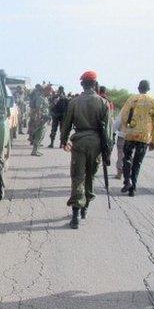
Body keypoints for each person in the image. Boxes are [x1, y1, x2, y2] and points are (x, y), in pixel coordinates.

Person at [60, 71, 110, 229]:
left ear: (82, 84)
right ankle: (85, 209)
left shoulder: (74, 102)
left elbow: (66, 123)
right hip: (96, 143)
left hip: (79, 142)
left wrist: (63, 140)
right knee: (90, 176)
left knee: (77, 177)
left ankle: (75, 216)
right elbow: (108, 131)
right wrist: (107, 151)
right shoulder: (103, 103)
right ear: (95, 84)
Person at [119, 80, 154, 196]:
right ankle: (133, 188)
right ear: (149, 88)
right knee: (137, 162)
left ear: (138, 88)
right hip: (144, 136)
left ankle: (127, 181)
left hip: (131, 134)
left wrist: (125, 128)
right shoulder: (153, 101)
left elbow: (124, 115)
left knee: (127, 158)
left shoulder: (132, 99)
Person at [30, 86, 50, 156]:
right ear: (45, 91)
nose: (50, 93)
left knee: (42, 135)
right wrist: (38, 120)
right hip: (40, 119)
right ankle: (34, 151)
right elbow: (38, 109)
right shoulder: (40, 98)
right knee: (38, 135)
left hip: (44, 119)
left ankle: (37, 150)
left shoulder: (45, 98)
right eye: (49, 91)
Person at [112, 113, 125, 179]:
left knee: (121, 155)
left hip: (123, 136)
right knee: (131, 155)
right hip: (135, 138)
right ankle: (129, 172)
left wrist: (112, 132)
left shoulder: (125, 111)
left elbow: (116, 124)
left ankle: (119, 172)